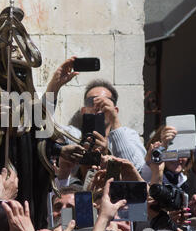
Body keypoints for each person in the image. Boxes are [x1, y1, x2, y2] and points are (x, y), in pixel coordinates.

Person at [46, 58, 147, 186]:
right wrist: (54, 86)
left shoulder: (127, 135)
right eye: (91, 102)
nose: (97, 105)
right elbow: (42, 127)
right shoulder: (73, 135)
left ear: (115, 109)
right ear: (83, 110)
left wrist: (114, 121)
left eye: (105, 102)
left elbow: (137, 169)